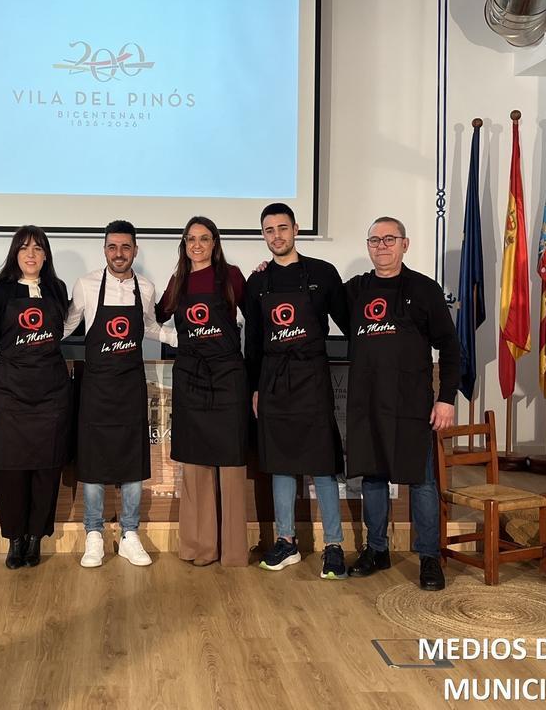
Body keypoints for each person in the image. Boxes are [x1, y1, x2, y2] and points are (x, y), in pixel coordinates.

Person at [344, 217, 458, 591]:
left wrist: (446, 399)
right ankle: (377, 550)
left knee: (422, 482)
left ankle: (429, 558)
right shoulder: (357, 290)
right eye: (374, 239)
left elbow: (452, 349)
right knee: (374, 478)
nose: (382, 246)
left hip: (412, 406)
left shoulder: (425, 290)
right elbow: (314, 296)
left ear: (405, 245)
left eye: (389, 239)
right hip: (368, 403)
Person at [244, 203, 351, 579]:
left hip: (313, 379)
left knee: (323, 464)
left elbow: (351, 323)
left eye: (282, 228)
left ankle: (334, 546)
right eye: (269, 230)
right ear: (264, 235)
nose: (277, 235)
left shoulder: (323, 273)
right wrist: (254, 387)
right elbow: (253, 342)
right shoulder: (256, 283)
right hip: (273, 381)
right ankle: (286, 542)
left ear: (296, 229)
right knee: (280, 465)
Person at [64, 220, 176, 568]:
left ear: (135, 250)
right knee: (94, 464)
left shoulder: (146, 287)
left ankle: (130, 534)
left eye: (125, 247)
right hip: (96, 386)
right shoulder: (86, 285)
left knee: (131, 462)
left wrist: (183, 338)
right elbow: (66, 326)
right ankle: (94, 535)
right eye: (112, 246)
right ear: (104, 250)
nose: (119, 253)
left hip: (130, 384)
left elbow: (151, 328)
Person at [155, 216, 249, 567]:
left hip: (228, 377)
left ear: (214, 243)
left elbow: (258, 316)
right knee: (194, 467)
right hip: (191, 379)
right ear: (184, 244)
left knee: (230, 466)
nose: (197, 244)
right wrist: (170, 338)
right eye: (191, 238)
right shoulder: (177, 281)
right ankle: (199, 547)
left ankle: (234, 552)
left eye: (204, 238)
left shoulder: (233, 277)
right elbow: (155, 317)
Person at [0, 226, 71, 569]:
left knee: (47, 469)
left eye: (38, 248)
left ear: (46, 255)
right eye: (24, 248)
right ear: (15, 254)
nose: (31, 254)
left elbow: (67, 331)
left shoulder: (57, 289)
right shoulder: (0, 292)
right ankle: (15, 539)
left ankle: (35, 538)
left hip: (51, 391)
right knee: (10, 471)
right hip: (9, 390)